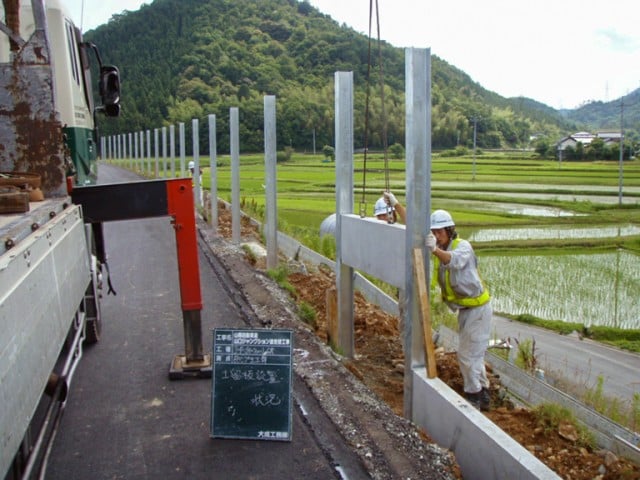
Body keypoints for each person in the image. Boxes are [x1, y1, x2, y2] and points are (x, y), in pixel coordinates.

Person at [425, 209, 492, 411]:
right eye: (433, 232)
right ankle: (484, 394)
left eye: (440, 232)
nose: (436, 236)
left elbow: (453, 260)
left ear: (449, 229)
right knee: (475, 355)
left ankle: (473, 396)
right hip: (466, 310)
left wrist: (435, 250)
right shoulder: (442, 248)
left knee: (466, 355)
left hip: (478, 310)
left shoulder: (463, 247)